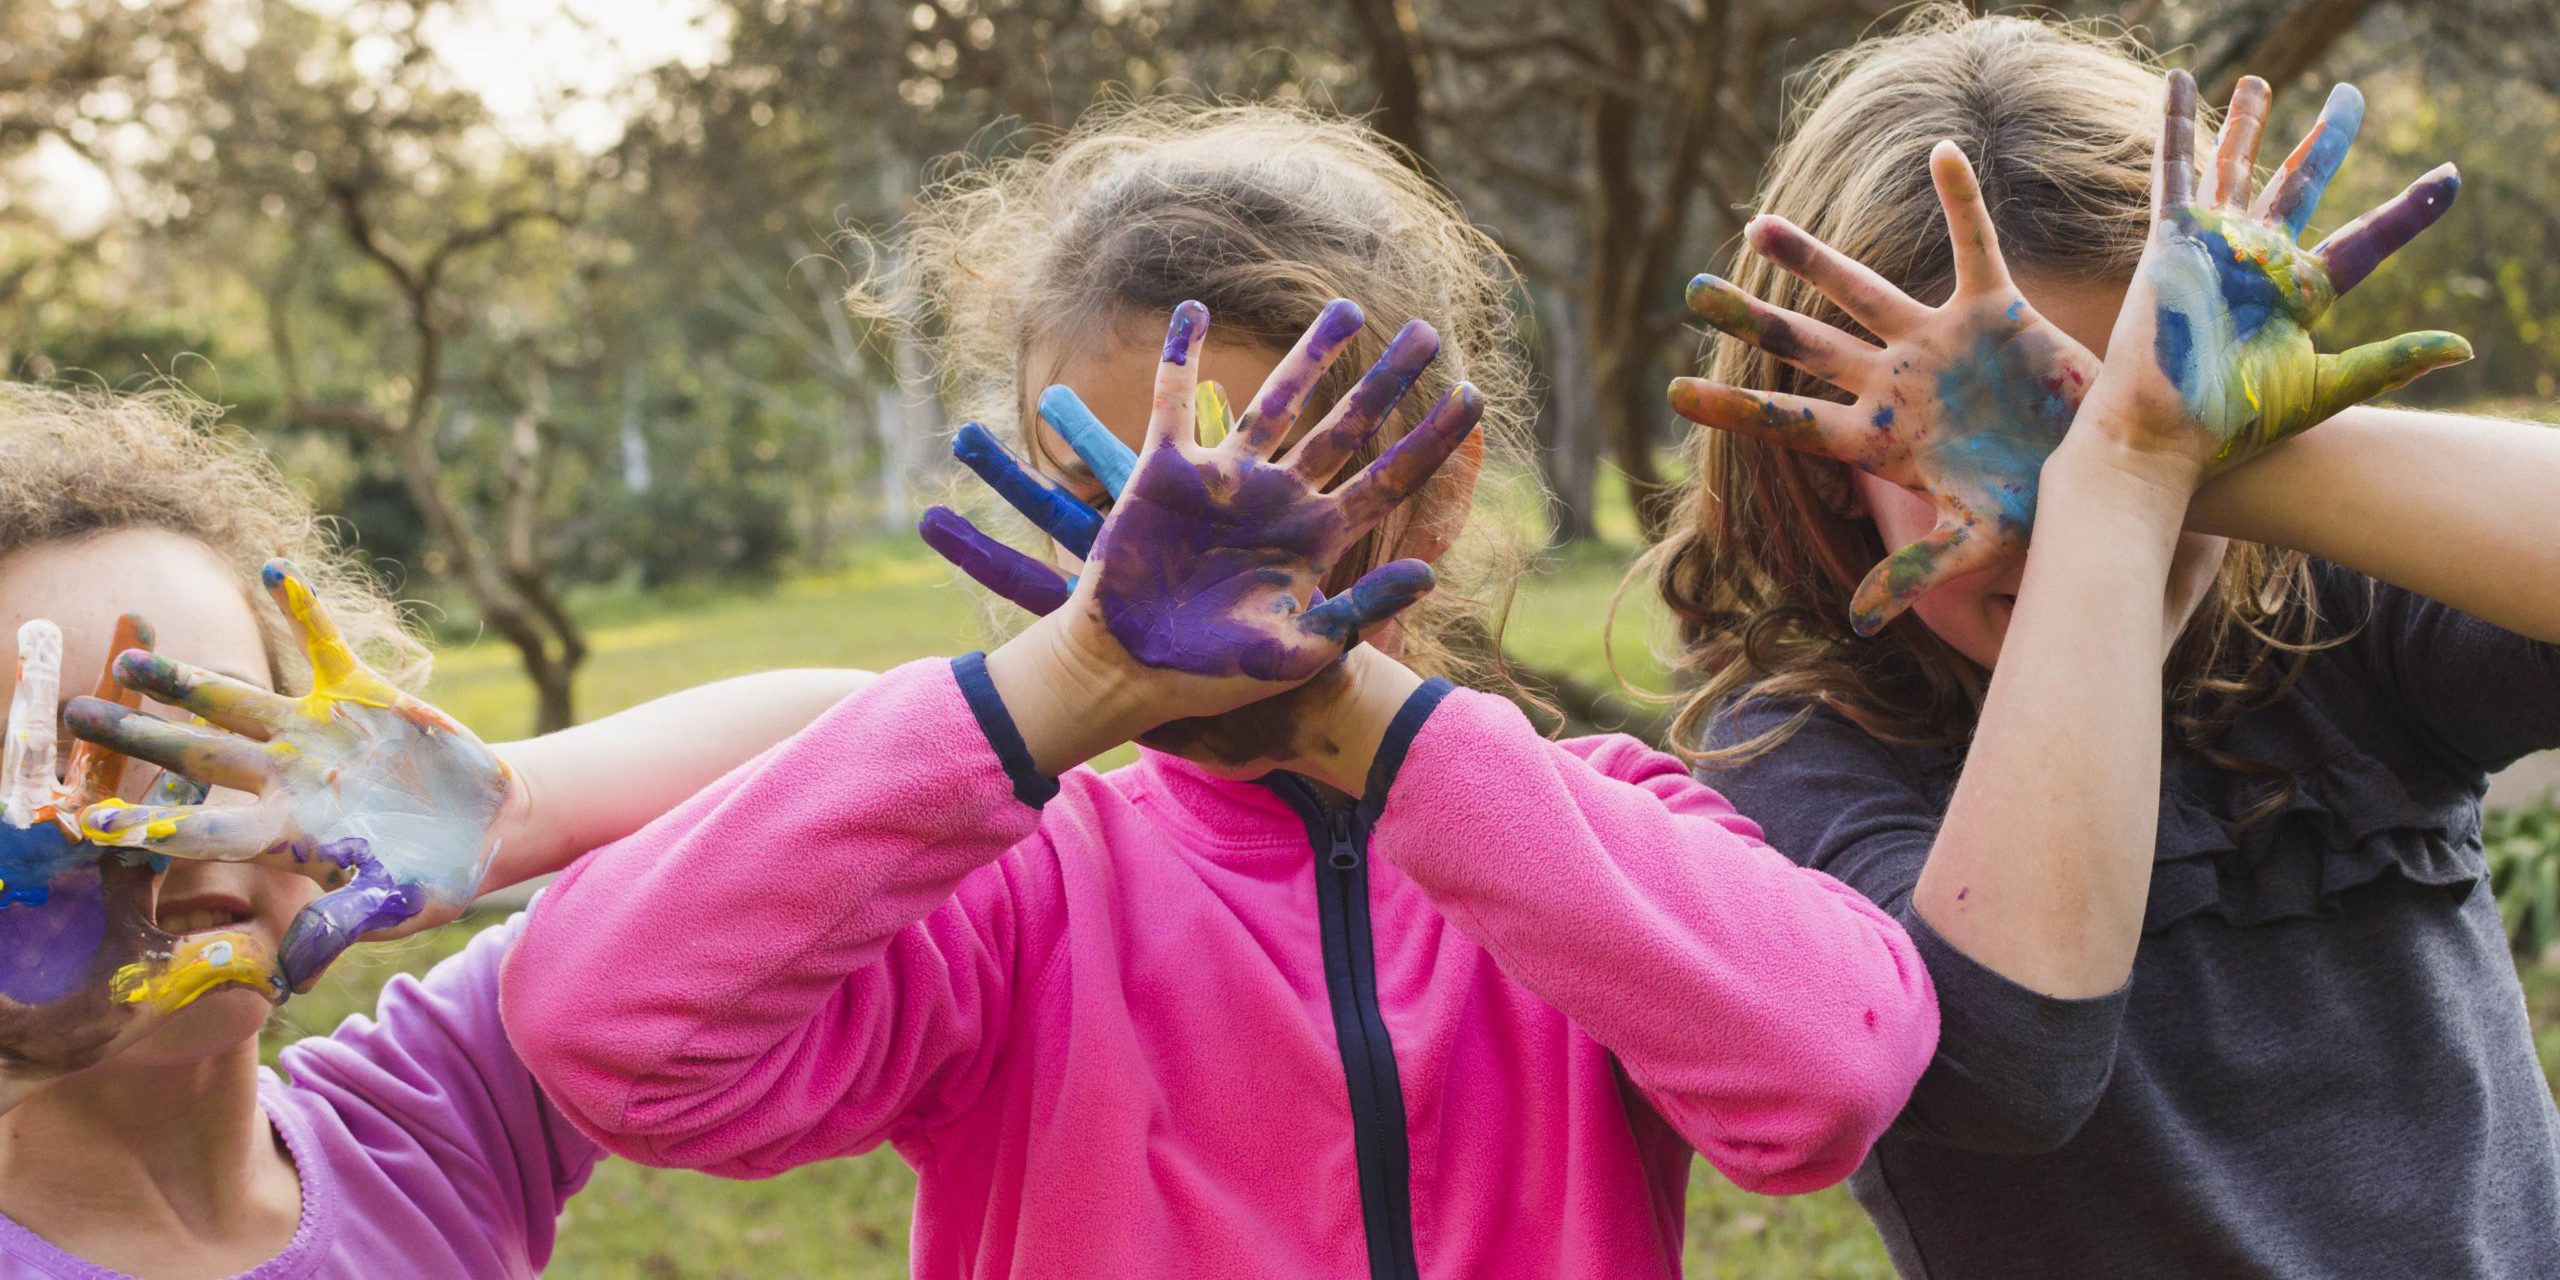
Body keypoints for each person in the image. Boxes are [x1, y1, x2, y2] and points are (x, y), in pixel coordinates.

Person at [497, 103, 1939, 1280]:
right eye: (1106, 490)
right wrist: (1054, 686)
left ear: (1434, 497)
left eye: (1273, 470)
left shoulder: (1591, 838)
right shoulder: (1016, 895)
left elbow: (1831, 1079)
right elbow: (597, 1029)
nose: (1170, 553)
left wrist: (1356, 719)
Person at [1654, 11, 2560, 1277]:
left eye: (2096, 438)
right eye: (1987, 457)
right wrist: (2127, 468)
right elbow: (2010, 1066)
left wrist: (2172, 446)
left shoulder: (2333, 629)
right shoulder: (1800, 757)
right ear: (1824, 469)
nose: (2067, 528)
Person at [0, 382, 870, 1278]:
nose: (162, 824)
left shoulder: (435, 1111)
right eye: (54, 770)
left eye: (217, 737)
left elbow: (863, 740)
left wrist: (522, 803)